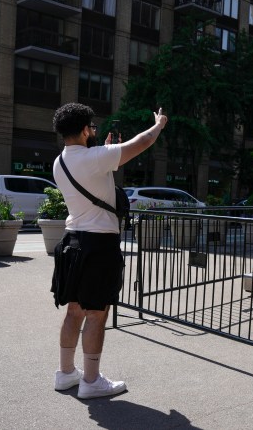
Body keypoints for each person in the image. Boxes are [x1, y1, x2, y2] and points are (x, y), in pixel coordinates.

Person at [51, 102, 168, 399]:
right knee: (97, 315)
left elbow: (93, 172)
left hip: (72, 241)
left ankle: (66, 374)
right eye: (91, 126)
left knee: (74, 310)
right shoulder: (94, 158)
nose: (93, 130)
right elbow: (141, 143)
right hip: (98, 244)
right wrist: (158, 125)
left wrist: (102, 150)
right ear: (82, 130)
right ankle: (91, 381)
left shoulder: (60, 161)